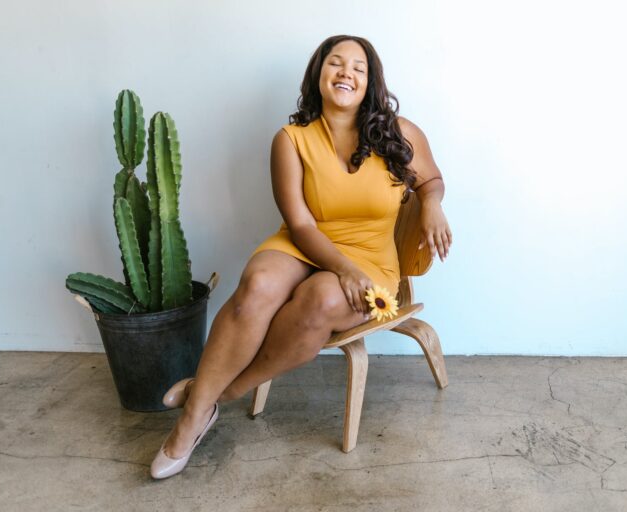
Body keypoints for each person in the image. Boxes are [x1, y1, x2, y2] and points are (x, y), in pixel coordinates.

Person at [150, 34, 452, 479]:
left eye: (358, 67)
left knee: (322, 301)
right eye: (335, 63)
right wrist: (341, 267)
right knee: (258, 286)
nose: (346, 72)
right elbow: (302, 225)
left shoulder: (399, 134)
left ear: (370, 83)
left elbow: (431, 181)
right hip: (304, 244)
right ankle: (194, 419)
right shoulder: (290, 140)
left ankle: (208, 398)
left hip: (370, 259)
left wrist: (430, 204)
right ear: (318, 74)